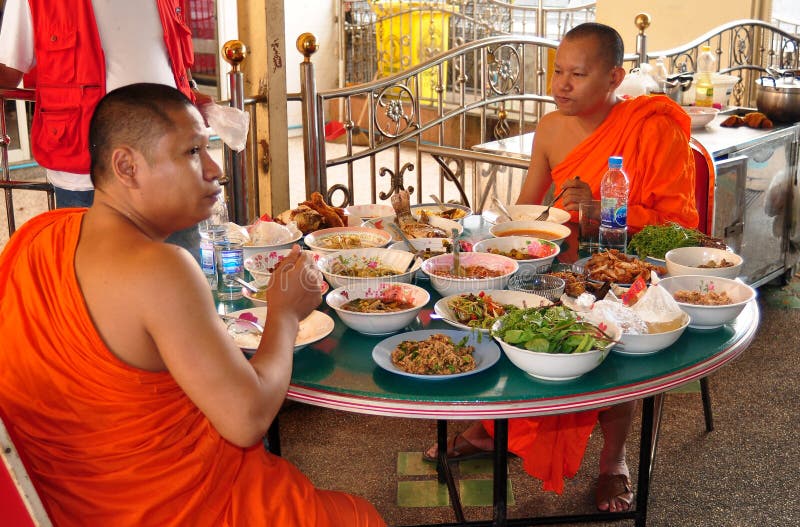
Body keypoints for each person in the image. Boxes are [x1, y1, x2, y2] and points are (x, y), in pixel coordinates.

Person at [0, 83, 385, 527]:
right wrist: (284, 312)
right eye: (191, 152)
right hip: (161, 510)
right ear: (126, 166)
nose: (215, 169)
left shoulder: (38, 235)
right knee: (359, 516)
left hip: (61, 502)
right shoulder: (161, 267)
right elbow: (246, 418)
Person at [426, 22, 698, 513]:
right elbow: (525, 210)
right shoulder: (551, 128)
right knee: (496, 314)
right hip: (558, 268)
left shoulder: (651, 129)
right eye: (557, 72)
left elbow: (680, 228)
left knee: (619, 347)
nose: (562, 85)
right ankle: (493, 429)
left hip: (623, 273)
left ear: (614, 78)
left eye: (578, 73)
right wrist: (490, 246)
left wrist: (603, 210)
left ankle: (613, 461)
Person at [0, 0, 211, 257]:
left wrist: (190, 92)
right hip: (87, 172)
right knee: (94, 281)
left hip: (170, 166)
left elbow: (171, 59)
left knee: (182, 269)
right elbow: (8, 71)